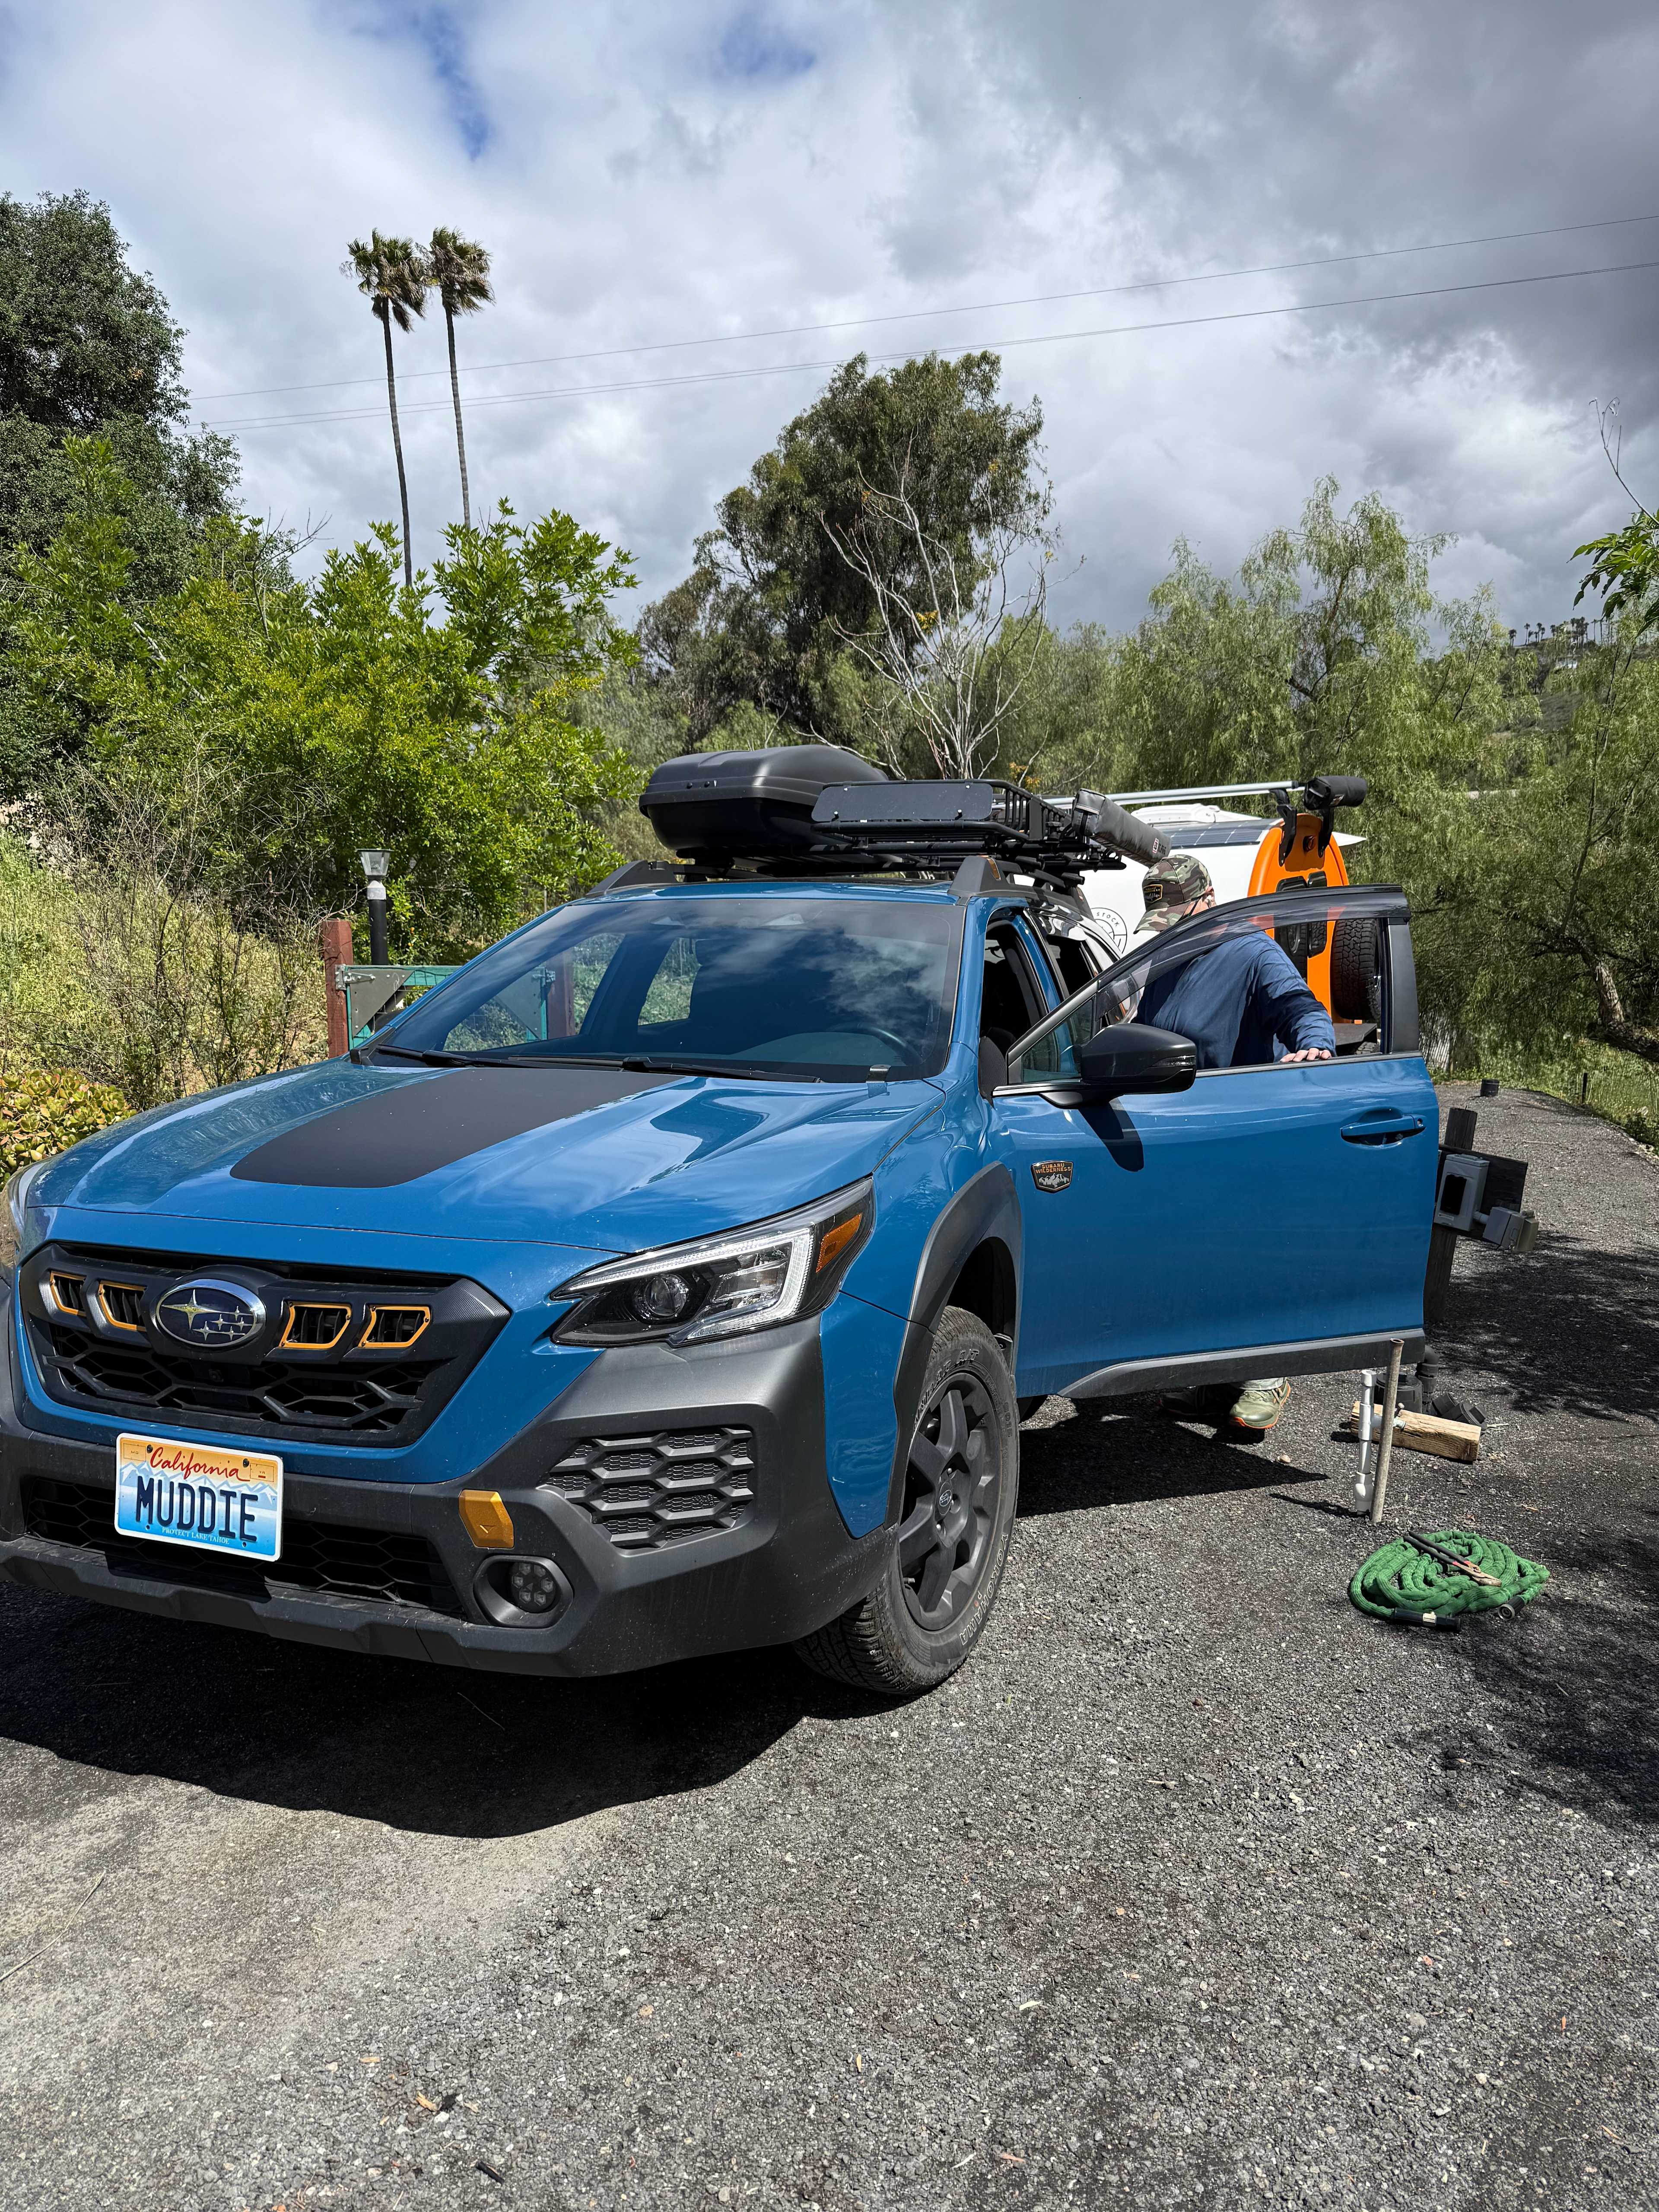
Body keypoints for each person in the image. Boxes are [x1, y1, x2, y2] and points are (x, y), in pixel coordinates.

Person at [1131, 855, 1336, 1434]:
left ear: (1209, 899)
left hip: (1241, 1126)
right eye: (1163, 920)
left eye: (1177, 915)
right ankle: (1211, 1377)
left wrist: (1316, 1047)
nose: (1170, 928)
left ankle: (1268, 1371)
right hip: (1180, 1128)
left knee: (1252, 1253)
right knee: (1198, 1256)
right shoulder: (1169, 957)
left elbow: (1299, 1007)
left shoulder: (1252, 952)